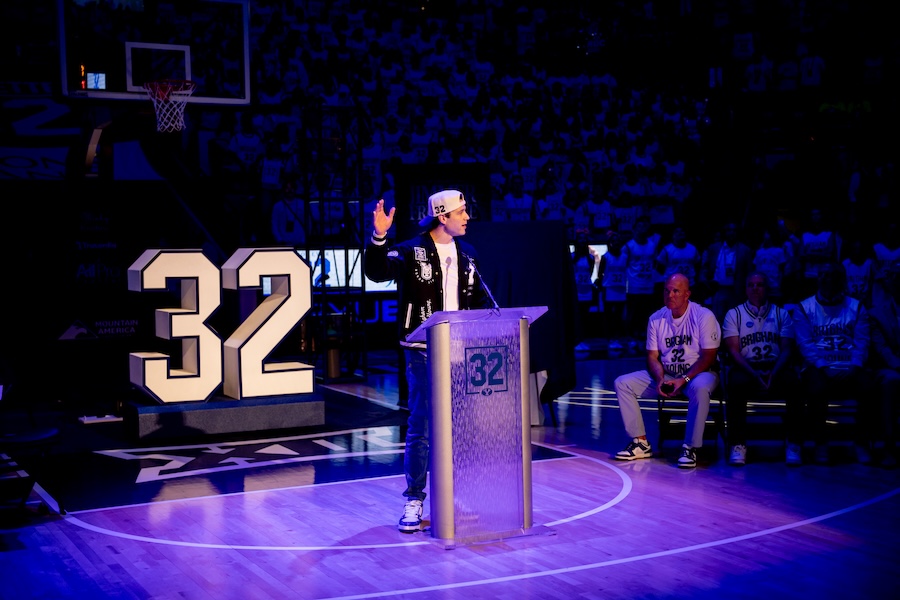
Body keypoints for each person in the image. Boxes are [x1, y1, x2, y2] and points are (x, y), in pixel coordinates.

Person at [364, 190, 495, 532]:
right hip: (422, 351)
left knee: (459, 427)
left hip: (460, 351)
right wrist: (379, 236)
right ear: (442, 216)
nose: (467, 217)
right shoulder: (412, 250)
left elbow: (480, 302)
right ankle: (414, 499)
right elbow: (377, 272)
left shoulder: (468, 254)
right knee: (421, 426)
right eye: (461, 212)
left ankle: (452, 495)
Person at [613, 273, 722, 468]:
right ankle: (640, 442)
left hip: (698, 375)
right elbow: (652, 356)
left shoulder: (704, 316)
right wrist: (660, 379)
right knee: (622, 383)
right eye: (666, 291)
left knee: (700, 389)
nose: (670, 295)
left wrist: (684, 380)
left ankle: (690, 447)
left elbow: (709, 357)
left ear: (687, 294)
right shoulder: (656, 318)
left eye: (676, 291)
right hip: (669, 375)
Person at [793, 261, 874, 465]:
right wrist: (823, 366)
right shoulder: (804, 307)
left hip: (850, 366)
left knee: (869, 387)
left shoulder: (856, 307)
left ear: (840, 279)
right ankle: (820, 443)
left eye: (830, 275)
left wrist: (855, 366)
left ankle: (861, 443)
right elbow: (805, 344)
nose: (825, 278)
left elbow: (862, 341)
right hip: (818, 367)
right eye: (822, 274)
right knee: (816, 388)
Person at [721, 272, 803, 466]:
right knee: (735, 384)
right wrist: (754, 374)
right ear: (746, 289)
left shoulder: (781, 314)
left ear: (767, 289)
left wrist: (773, 373)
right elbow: (733, 351)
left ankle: (793, 443)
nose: (755, 288)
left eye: (760, 285)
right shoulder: (734, 314)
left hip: (776, 366)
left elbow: (787, 349)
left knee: (795, 384)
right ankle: (738, 444)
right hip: (746, 366)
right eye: (751, 285)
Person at [868, 264, 900, 467]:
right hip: (890, 367)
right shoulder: (877, 314)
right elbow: (882, 348)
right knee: (891, 380)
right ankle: (889, 445)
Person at [700, 221, 754, 323]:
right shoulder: (715, 248)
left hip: (736, 291)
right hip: (718, 290)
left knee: (735, 320)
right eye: (729, 230)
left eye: (734, 230)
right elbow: (705, 266)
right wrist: (704, 279)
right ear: (724, 232)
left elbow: (749, 272)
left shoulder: (745, 250)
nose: (731, 233)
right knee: (717, 320)